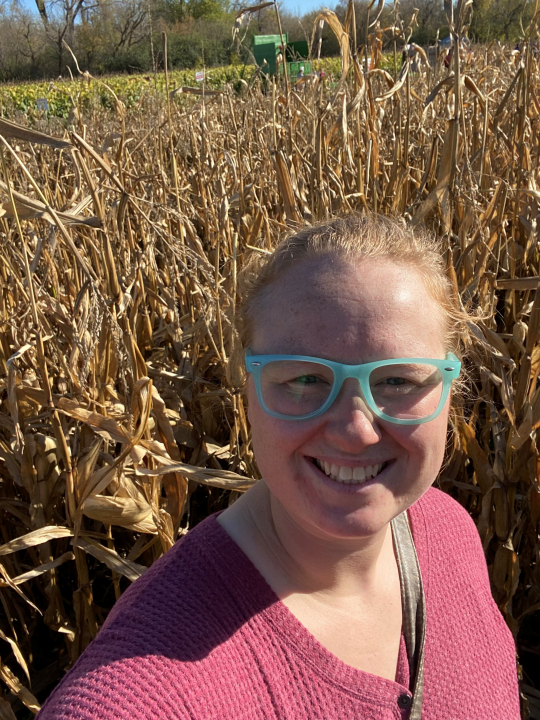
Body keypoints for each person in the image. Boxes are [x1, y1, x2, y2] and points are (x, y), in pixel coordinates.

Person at [36, 215, 520, 720]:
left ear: (449, 388)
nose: (356, 429)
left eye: (397, 381)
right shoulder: (143, 695)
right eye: (306, 379)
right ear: (247, 389)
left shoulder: (448, 533)